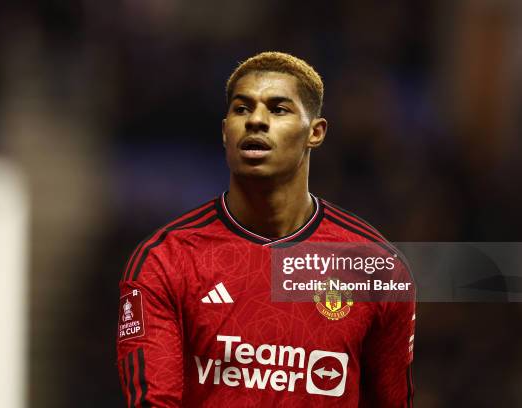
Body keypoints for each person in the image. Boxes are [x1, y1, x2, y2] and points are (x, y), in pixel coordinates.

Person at [117, 51, 415, 407]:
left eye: (278, 109)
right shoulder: (166, 260)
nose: (256, 120)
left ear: (315, 133)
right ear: (225, 131)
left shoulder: (375, 268)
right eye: (241, 109)